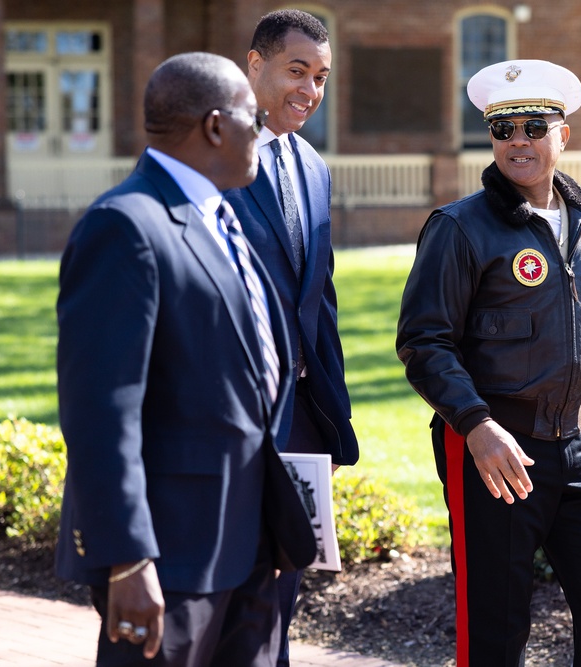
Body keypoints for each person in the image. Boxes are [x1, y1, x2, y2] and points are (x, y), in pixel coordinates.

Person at [396, 59, 581, 667]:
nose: (518, 140)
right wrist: (476, 425)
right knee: (495, 625)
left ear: (562, 135)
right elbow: (424, 341)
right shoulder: (459, 228)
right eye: (503, 129)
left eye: (534, 126)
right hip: (495, 454)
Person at [54, 51, 315, 667]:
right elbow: (101, 412)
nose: (265, 131)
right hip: (172, 553)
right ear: (216, 126)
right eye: (254, 119)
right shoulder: (125, 226)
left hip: (251, 541)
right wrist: (127, 558)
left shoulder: (223, 219)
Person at [225, 10, 359, 666]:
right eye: (296, 71)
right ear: (255, 66)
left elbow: (320, 303)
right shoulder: (214, 158)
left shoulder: (313, 167)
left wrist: (333, 424)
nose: (310, 89)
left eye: (322, 76)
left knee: (281, 599)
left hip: (300, 421)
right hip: (234, 422)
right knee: (230, 601)